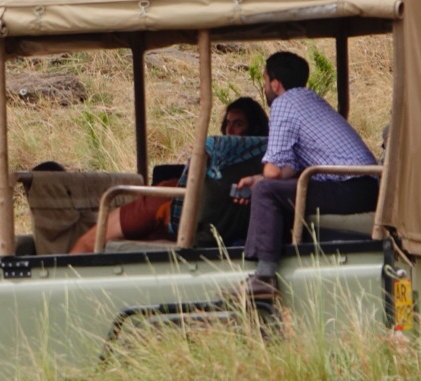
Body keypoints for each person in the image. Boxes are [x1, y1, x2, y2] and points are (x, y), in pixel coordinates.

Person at [235, 51, 378, 301]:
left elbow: (272, 170)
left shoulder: (284, 104)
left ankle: (264, 275)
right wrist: (261, 178)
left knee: (265, 192)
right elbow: (286, 170)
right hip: (364, 184)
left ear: (275, 83)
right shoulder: (310, 100)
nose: (265, 86)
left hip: (351, 186)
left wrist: (263, 181)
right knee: (266, 187)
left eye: (265, 80)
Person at [70, 97, 268, 253]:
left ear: (254, 128)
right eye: (228, 123)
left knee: (93, 240)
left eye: (238, 124)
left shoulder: (227, 150)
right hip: (171, 201)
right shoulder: (262, 156)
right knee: (96, 239)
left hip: (174, 202)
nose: (229, 130)